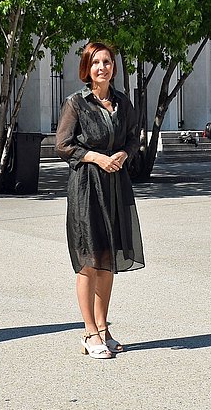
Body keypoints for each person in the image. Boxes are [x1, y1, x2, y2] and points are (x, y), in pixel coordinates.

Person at [56, 42, 145, 359]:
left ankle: (104, 327)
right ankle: (89, 332)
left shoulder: (122, 102)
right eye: (96, 63)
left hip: (115, 185)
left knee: (107, 260)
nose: (102, 67)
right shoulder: (77, 103)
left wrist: (124, 153)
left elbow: (134, 137)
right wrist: (94, 157)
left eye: (107, 62)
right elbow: (63, 145)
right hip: (87, 187)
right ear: (87, 68)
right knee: (88, 262)